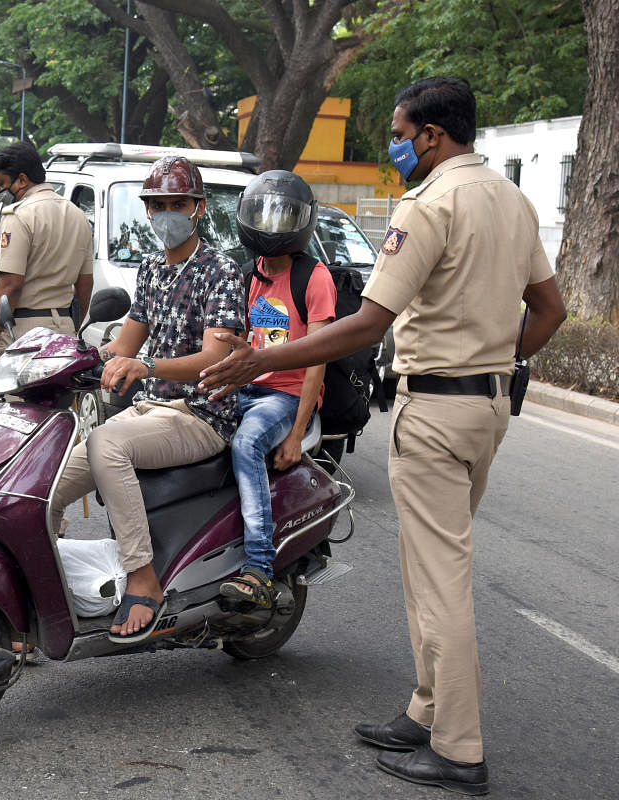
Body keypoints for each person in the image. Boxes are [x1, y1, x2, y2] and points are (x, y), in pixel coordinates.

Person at [198, 77, 566, 795]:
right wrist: (496, 359)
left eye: (400, 131)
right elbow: (549, 310)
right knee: (430, 568)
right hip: (486, 409)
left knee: (441, 581)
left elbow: (368, 324)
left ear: (431, 134)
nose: (395, 145)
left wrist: (261, 357)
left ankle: (458, 747)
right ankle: (426, 711)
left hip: (435, 411)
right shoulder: (512, 200)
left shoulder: (429, 205)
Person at [48, 155, 244, 643]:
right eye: (158, 204)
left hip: (201, 414)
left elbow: (215, 356)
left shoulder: (220, 270)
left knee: (106, 444)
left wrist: (147, 367)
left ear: (198, 208)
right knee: (43, 482)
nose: (167, 213)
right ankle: (39, 590)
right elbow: (126, 343)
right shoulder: (154, 267)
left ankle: (142, 575)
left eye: (178, 203)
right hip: (153, 409)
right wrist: (64, 358)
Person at [221, 171, 336, 607]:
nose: (270, 225)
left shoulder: (314, 277)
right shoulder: (251, 273)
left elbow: (316, 359)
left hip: (285, 396)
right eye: (262, 215)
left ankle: (259, 566)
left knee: (246, 444)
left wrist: (295, 433)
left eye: (282, 216)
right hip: (247, 387)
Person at [0, 142, 92, 389]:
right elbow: (85, 284)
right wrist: (72, 326)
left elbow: (10, 286)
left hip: (22, 334)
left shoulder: (18, 215)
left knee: (16, 416)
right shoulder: (78, 216)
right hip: (64, 332)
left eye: (1, 183)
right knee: (54, 414)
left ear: (23, 179)